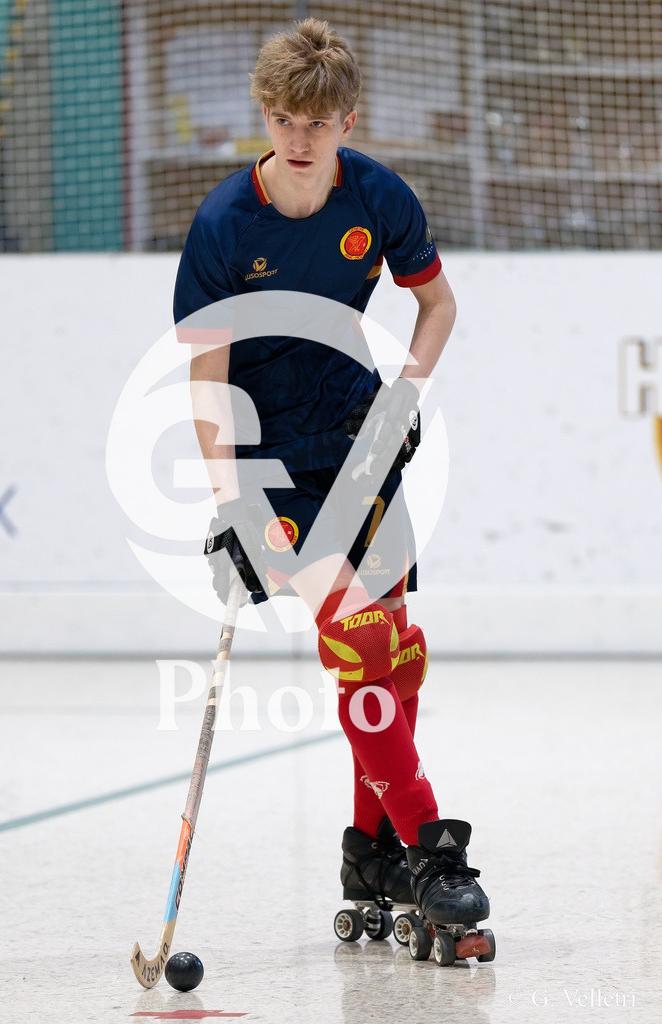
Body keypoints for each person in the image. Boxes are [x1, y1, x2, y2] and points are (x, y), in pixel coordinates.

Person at [174, 18, 490, 937]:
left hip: (361, 443)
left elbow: (437, 303)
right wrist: (232, 496)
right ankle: (434, 853)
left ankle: (371, 849)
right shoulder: (227, 223)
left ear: (347, 120)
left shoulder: (380, 197)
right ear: (263, 114)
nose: (298, 140)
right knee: (356, 641)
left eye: (316, 123)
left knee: (398, 651)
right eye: (281, 120)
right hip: (274, 465)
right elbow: (206, 373)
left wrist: (405, 396)